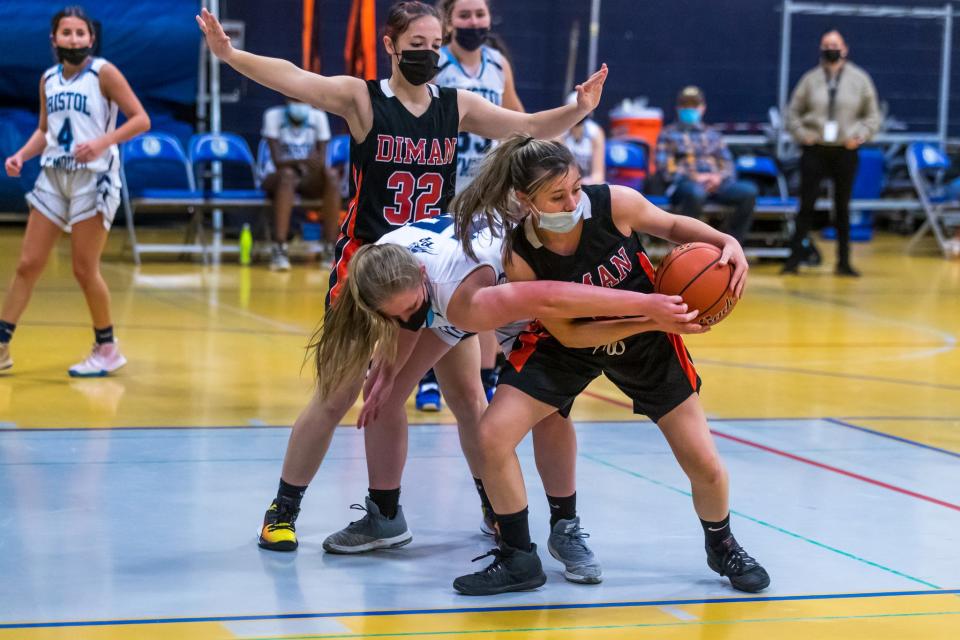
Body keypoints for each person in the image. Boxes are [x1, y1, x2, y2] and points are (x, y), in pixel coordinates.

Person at [195, 1, 608, 553]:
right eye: (415, 44)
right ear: (390, 46)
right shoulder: (362, 99)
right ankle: (286, 507)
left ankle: (479, 506)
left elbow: (528, 128)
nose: (428, 53)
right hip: (370, 269)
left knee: (467, 396)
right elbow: (295, 79)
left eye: (434, 44)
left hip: (435, 266)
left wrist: (575, 109)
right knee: (340, 394)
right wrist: (230, 55)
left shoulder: (455, 105)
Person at [448, 136, 770, 596]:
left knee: (705, 463)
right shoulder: (519, 255)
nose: (573, 201)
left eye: (576, 189)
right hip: (573, 340)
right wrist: (648, 313)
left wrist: (726, 241)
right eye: (558, 197)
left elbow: (675, 226)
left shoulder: (615, 203)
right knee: (491, 435)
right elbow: (571, 334)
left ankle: (722, 544)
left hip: (646, 341)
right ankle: (520, 556)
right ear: (525, 200)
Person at [316, 214, 698, 582]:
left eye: (412, 308)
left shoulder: (458, 294)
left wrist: (648, 307)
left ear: (421, 277)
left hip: (516, 300)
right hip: (455, 294)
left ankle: (564, 526)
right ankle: (385, 515)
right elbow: (410, 316)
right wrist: (386, 368)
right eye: (395, 315)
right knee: (382, 396)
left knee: (548, 410)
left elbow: (552, 296)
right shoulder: (383, 261)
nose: (406, 318)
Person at [1, 6, 150, 376]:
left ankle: (107, 347)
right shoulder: (48, 78)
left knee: (84, 269)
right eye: (66, 33)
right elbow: (45, 130)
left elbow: (140, 120)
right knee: (27, 264)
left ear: (91, 38)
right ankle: (2, 347)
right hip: (54, 176)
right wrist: (21, 154)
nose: (74, 39)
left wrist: (103, 142)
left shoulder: (104, 73)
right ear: (54, 40)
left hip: (94, 178)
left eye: (80, 33)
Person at [414, 0, 525, 411]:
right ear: (448, 21)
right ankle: (426, 377)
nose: (474, 22)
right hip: (442, 193)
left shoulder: (497, 63)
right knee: (433, 286)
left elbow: (516, 115)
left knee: (489, 285)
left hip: (490, 196)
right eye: (465, 15)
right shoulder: (435, 62)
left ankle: (486, 377)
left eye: (479, 14)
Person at [783, 29, 881, 276]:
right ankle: (794, 260)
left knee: (843, 207)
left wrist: (861, 135)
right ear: (821, 48)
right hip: (815, 150)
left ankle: (844, 262)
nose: (831, 48)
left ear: (845, 48)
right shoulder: (810, 79)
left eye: (835, 44)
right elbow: (792, 113)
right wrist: (802, 133)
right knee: (806, 206)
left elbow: (872, 115)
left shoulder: (859, 79)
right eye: (827, 44)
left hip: (844, 150)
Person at [655, 86, 756, 245]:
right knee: (695, 193)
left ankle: (731, 243)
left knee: (748, 191)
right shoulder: (667, 134)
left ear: (702, 108)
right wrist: (695, 177)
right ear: (678, 108)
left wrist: (717, 177)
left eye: (694, 106)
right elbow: (665, 169)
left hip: (717, 184)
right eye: (685, 105)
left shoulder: (713, 134)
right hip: (686, 185)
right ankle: (689, 246)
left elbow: (728, 165)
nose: (690, 109)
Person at [259, 99, 340, 270]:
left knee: (332, 176)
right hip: (275, 177)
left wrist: (305, 165)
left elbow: (320, 161)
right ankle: (279, 248)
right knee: (288, 176)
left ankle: (330, 247)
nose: (299, 104)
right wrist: (302, 161)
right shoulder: (273, 116)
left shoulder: (318, 117)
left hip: (306, 177)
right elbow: (278, 161)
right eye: (294, 100)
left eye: (302, 99)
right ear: (286, 99)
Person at [562, 92, 605, 185]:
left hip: (588, 183)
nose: (578, 115)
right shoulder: (559, 133)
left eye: (582, 110)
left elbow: (598, 175)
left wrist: (583, 184)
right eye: (575, 110)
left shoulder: (596, 133)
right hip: (566, 183)